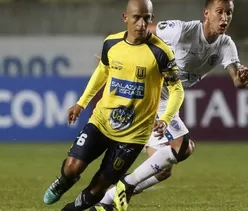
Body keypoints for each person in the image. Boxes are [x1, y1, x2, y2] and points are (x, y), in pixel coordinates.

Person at [91, 0, 248, 210]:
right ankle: (126, 184)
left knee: (162, 170)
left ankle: (106, 202)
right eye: (219, 12)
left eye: (228, 13)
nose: (224, 18)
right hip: (150, 93)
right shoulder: (182, 30)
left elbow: (237, 81)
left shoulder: (226, 44)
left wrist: (243, 78)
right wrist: (119, 54)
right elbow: (143, 29)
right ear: (206, 13)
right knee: (183, 147)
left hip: (167, 99)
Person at [42, 0, 185, 210]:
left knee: (99, 187)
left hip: (133, 135)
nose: (141, 24)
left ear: (151, 19)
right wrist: (81, 103)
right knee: (72, 168)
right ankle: (65, 180)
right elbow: (102, 72)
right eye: (136, 17)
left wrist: (165, 119)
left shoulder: (161, 52)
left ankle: (72, 209)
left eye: (147, 18)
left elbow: (177, 89)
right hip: (101, 122)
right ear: (125, 18)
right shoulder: (111, 43)